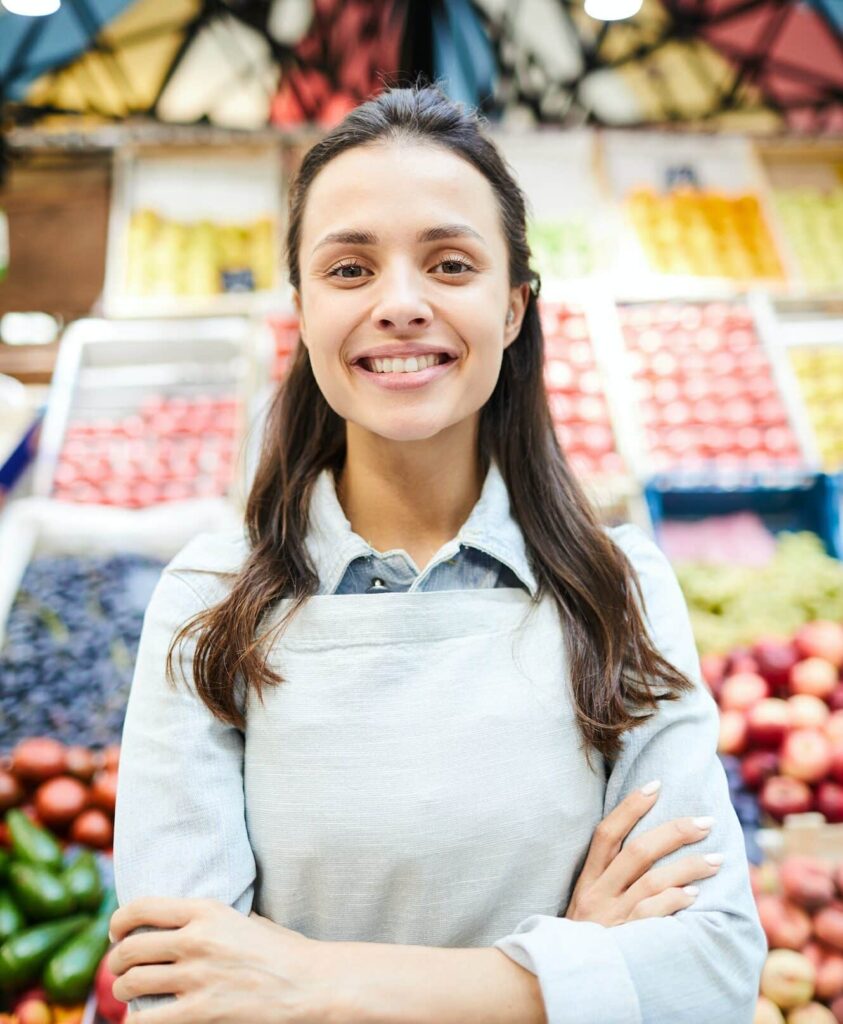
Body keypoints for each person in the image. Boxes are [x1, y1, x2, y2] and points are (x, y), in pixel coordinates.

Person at [108, 83, 766, 1023]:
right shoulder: (209, 600)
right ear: (300, 309)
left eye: (451, 264)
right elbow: (182, 1001)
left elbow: (710, 979)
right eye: (349, 270)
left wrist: (308, 982)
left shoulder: (618, 590)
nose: (401, 305)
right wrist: (568, 970)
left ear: (512, 307)